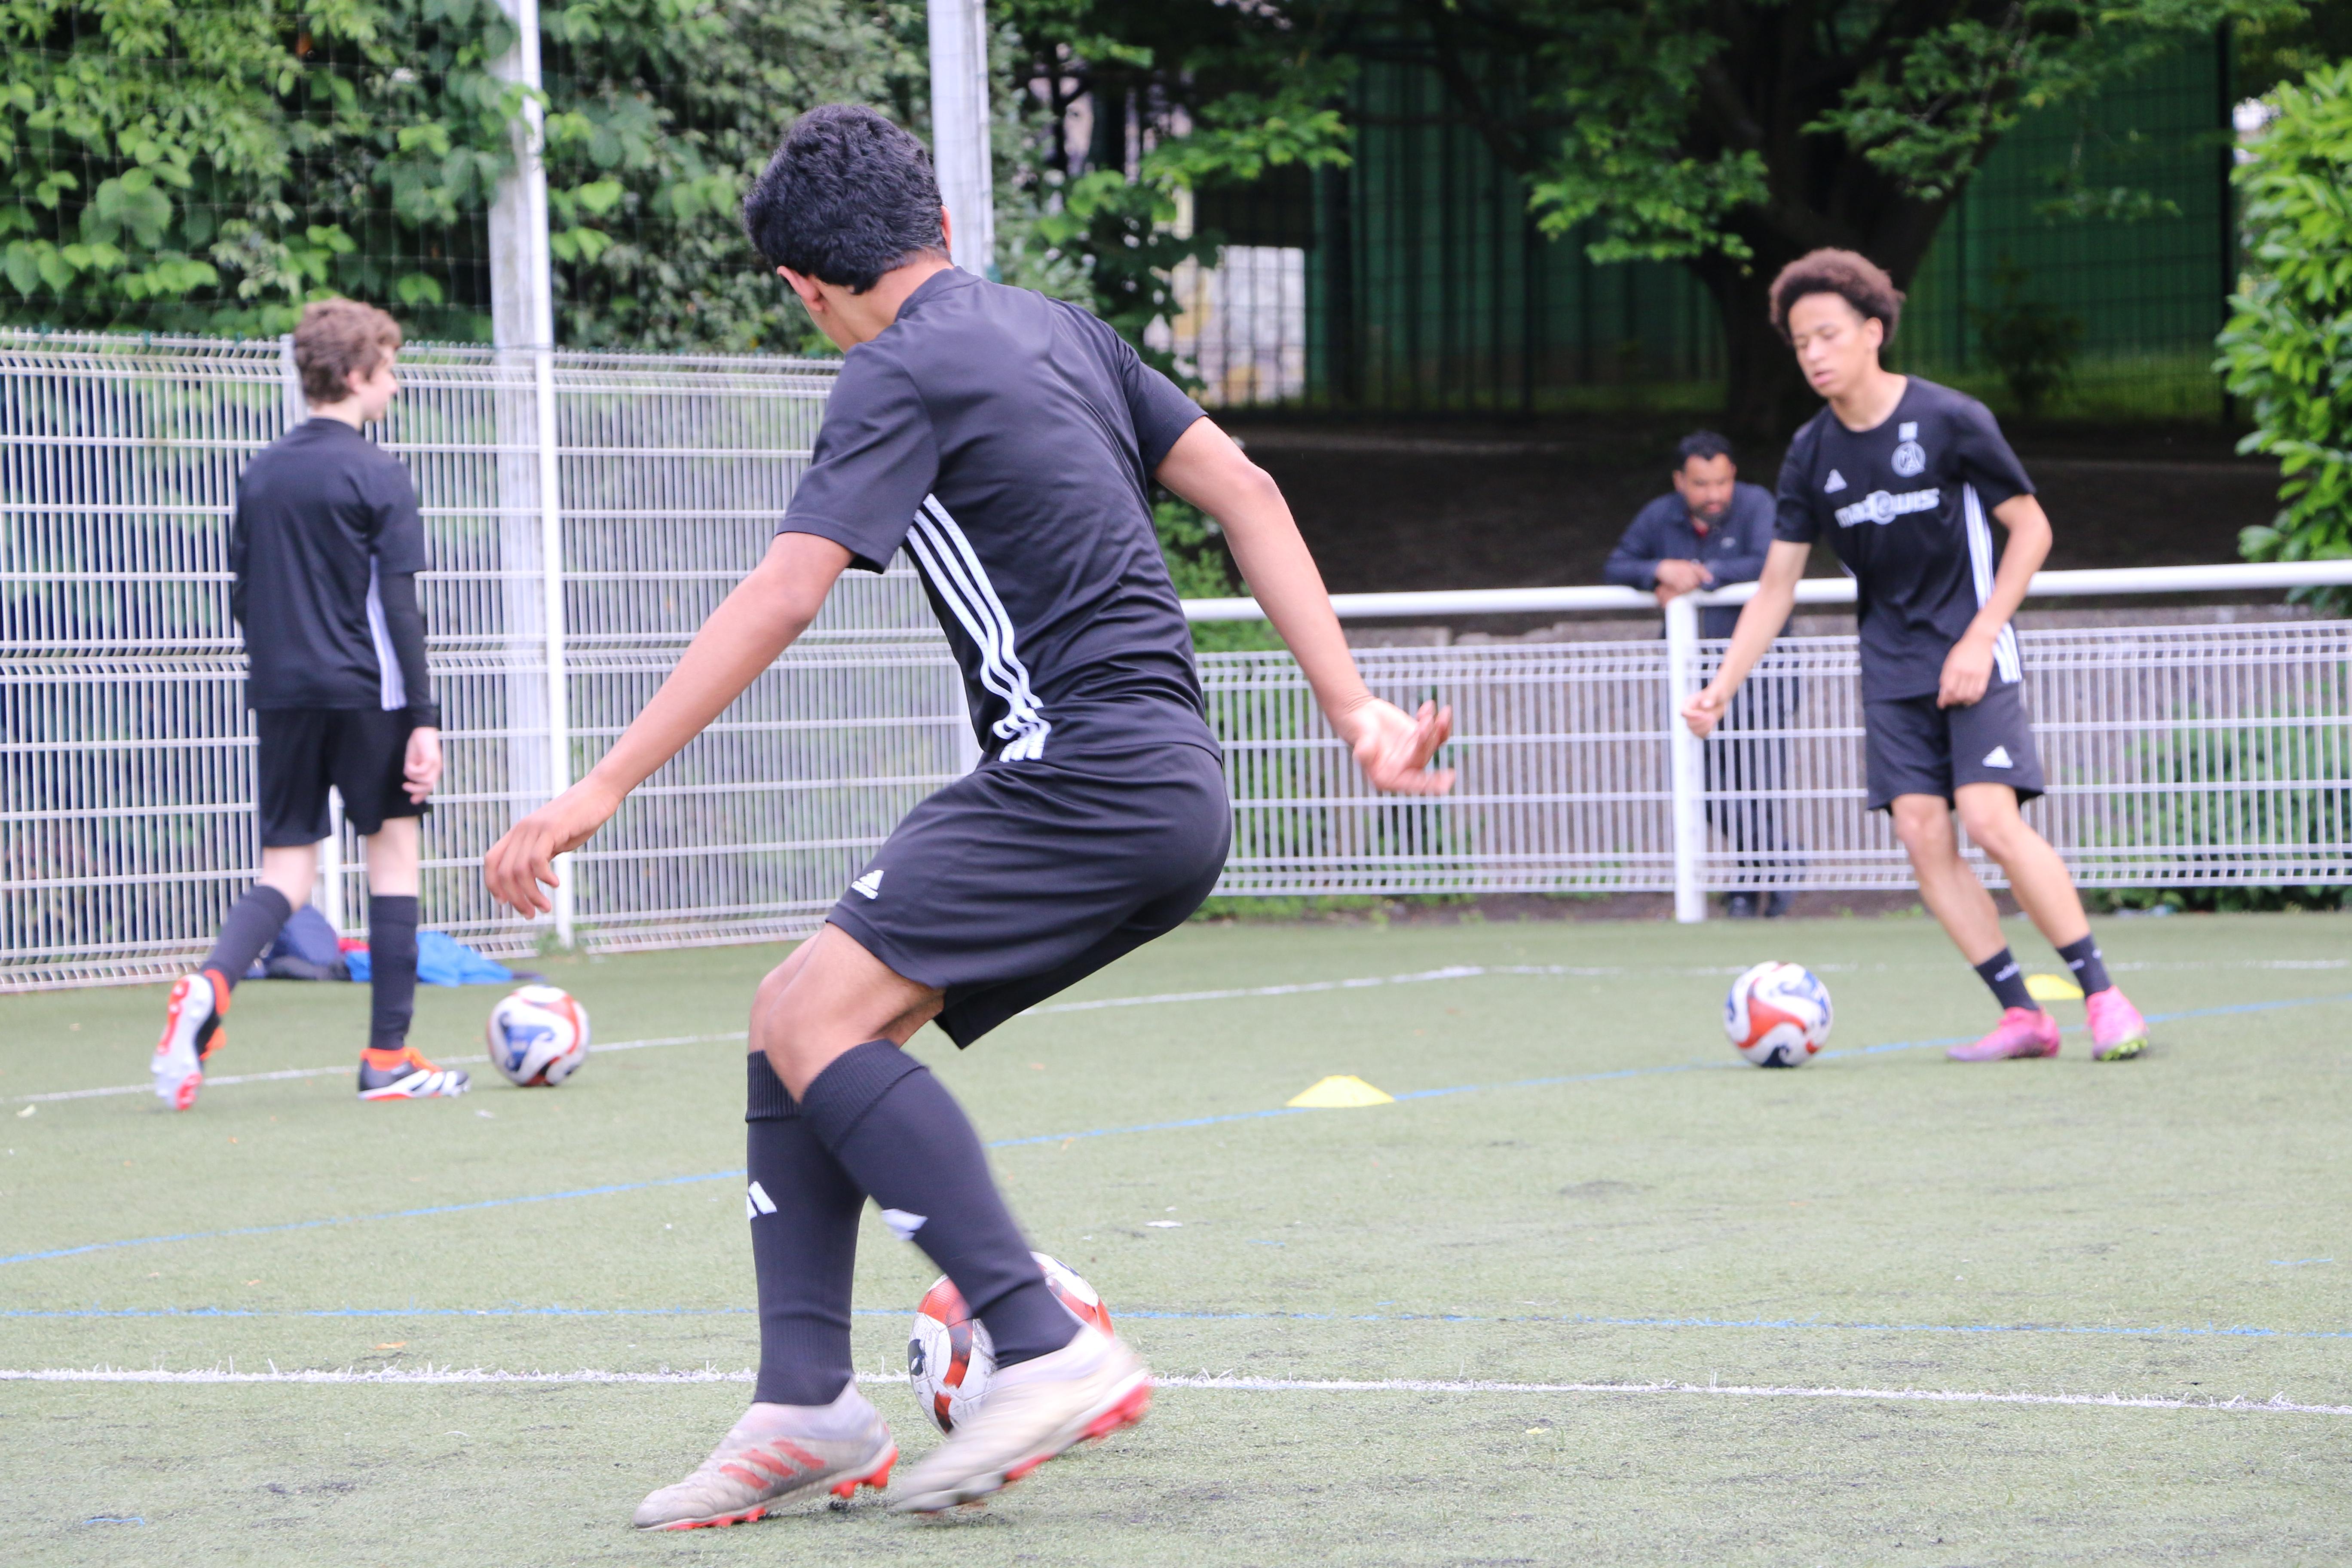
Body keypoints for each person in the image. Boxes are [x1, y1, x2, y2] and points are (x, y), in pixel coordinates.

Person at [481, 105, 1453, 1528]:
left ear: (805, 286)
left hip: (1082, 773)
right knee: (799, 1016)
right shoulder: (1059, 329)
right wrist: (1354, 707)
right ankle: (805, 1398)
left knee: (812, 1018)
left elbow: (785, 590)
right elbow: (1245, 490)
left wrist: (597, 785)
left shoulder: (893, 368)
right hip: (1167, 778)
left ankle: (1046, 1341)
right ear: (932, 223)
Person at [1682, 248, 2148, 1063]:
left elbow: (2032, 529)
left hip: (1974, 645)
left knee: (1990, 819)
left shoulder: (1949, 419)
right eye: (1800, 343)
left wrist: (1978, 635)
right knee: (1923, 833)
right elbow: (1775, 585)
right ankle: (2021, 1015)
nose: (1814, 354)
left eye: (1827, 334)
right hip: (1892, 666)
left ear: (1871, 331)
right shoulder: (1809, 453)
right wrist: (1719, 685)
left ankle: (2103, 995)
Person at [151, 300, 468, 1109]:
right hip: (369, 694)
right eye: (390, 369)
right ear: (358, 375)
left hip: (281, 694)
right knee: (393, 857)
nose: (394, 385)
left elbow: (240, 594)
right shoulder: (377, 472)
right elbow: (399, 610)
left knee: (287, 871)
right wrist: (423, 718)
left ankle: (213, 983)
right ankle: (386, 1058)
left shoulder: (261, 472)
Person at [1605, 430, 1796, 917]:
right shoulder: (1658, 516)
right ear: (1679, 482)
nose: (1714, 494)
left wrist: (1699, 577)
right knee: (1707, 788)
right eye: (1701, 484)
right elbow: (1618, 565)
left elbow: (1769, 563)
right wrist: (1658, 572)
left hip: (1762, 673)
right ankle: (1775, 866)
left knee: (1756, 781)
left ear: (1734, 477)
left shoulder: (1758, 505)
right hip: (1692, 676)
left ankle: (1754, 884)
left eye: (1722, 482)